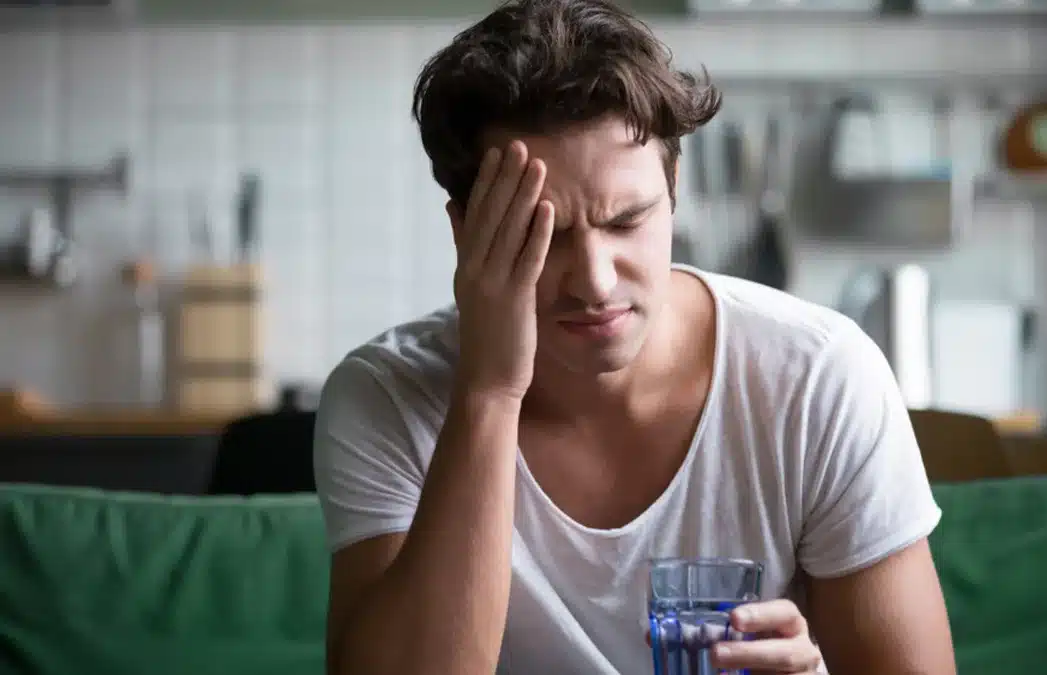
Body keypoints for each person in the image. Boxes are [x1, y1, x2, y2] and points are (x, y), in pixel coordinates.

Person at [312, 0, 957, 673]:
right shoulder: (386, 395)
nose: (593, 280)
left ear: (673, 186)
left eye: (627, 221)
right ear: (466, 231)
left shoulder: (819, 377)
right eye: (544, 233)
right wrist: (490, 390)